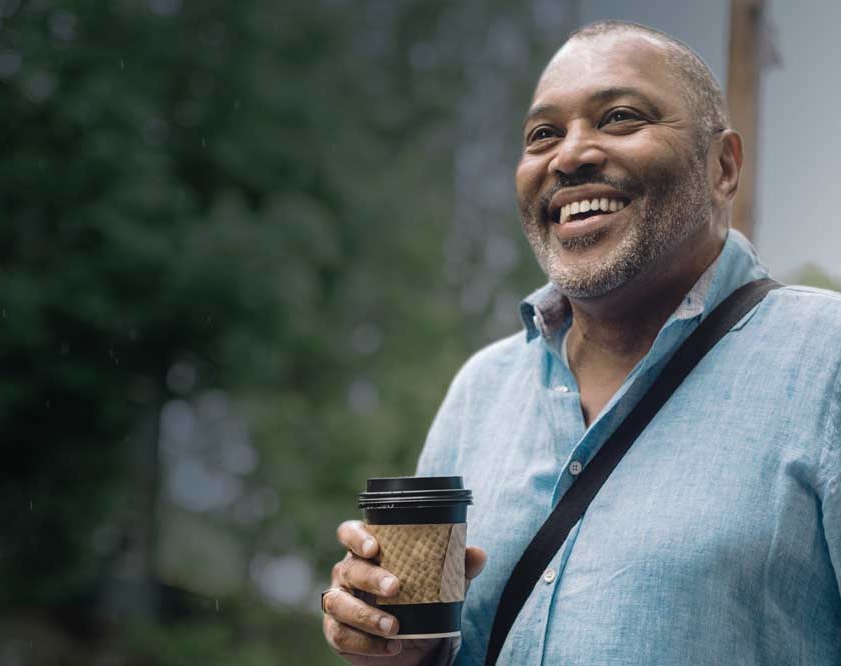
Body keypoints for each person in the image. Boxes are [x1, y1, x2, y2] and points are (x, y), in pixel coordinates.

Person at [321, 20, 841, 666]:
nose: (569, 156)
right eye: (543, 135)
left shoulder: (827, 362)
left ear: (723, 166)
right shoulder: (479, 393)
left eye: (619, 118)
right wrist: (400, 646)